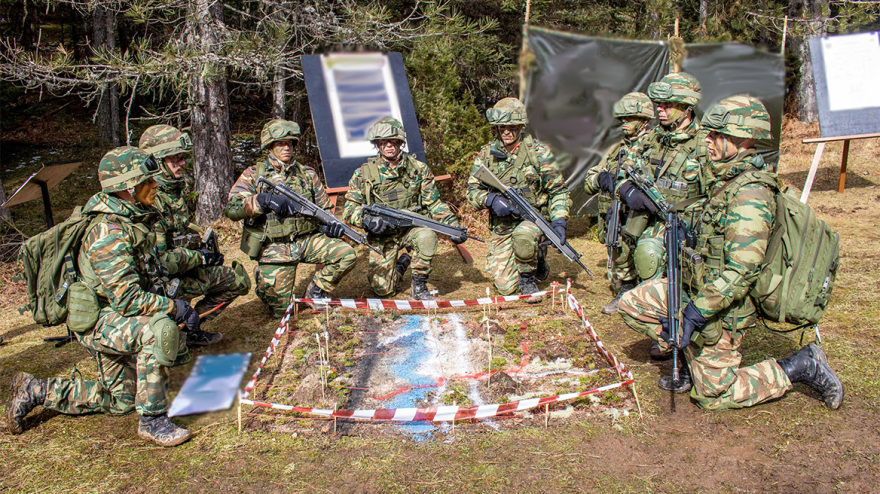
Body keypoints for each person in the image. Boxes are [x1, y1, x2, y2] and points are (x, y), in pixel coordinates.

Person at [617, 95, 844, 410]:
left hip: (725, 308)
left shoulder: (750, 195)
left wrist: (694, 315)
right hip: (699, 288)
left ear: (742, 138)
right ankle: (688, 352)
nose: (706, 141)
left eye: (715, 135)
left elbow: (741, 272)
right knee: (631, 304)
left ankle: (800, 366)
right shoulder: (725, 177)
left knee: (712, 396)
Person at [6, 146, 204, 446]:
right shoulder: (109, 232)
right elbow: (128, 300)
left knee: (119, 401)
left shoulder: (131, 217)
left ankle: (37, 390)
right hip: (99, 320)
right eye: (147, 182)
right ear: (127, 188)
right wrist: (174, 308)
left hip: (114, 315)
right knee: (158, 330)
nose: (155, 186)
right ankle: (153, 420)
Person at [225, 119, 356, 315]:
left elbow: (324, 209)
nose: (286, 148)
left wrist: (329, 226)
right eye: (280, 144)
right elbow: (232, 209)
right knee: (281, 312)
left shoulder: (307, 174)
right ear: (270, 146)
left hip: (306, 240)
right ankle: (265, 279)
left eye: (290, 143)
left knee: (346, 254)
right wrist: (262, 200)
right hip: (274, 246)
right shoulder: (254, 174)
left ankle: (316, 291)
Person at [139, 124, 250, 346]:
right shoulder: (151, 201)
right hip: (158, 285)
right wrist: (200, 258)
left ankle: (190, 328)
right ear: (157, 162)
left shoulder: (174, 194)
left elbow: (181, 234)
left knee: (236, 281)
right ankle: (173, 332)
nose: (182, 163)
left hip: (180, 275)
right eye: (174, 159)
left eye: (182, 158)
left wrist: (203, 249)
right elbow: (160, 262)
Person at [342, 117, 465, 300]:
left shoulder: (418, 169)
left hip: (411, 229)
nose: (389, 146)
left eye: (394, 141)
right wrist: (366, 220)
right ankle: (401, 265)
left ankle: (419, 285)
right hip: (382, 234)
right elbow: (349, 208)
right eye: (384, 142)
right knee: (383, 290)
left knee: (427, 236)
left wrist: (452, 225)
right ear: (377, 144)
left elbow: (434, 203)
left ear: (401, 142)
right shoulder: (364, 173)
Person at [466, 97, 570, 302]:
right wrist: (491, 199)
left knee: (524, 235)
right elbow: (472, 190)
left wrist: (559, 221)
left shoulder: (539, 153)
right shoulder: (487, 154)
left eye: (511, 127)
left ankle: (527, 278)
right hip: (503, 226)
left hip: (532, 221)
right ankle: (534, 257)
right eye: (501, 127)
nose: (506, 131)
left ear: (521, 126)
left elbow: (558, 191)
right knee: (504, 288)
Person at [583, 92, 654, 314]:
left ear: (644, 120)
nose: (624, 123)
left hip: (646, 218)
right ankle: (627, 288)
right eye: (622, 119)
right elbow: (589, 181)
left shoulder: (654, 146)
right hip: (619, 216)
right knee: (619, 266)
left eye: (629, 118)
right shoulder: (617, 150)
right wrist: (602, 179)